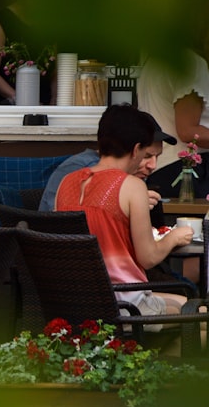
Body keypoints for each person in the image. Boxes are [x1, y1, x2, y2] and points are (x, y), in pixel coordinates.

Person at [55, 104, 192, 331]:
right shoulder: (131, 186)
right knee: (200, 314)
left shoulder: (66, 183)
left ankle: (143, 360)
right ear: (136, 149)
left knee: (187, 305)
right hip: (123, 305)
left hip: (74, 303)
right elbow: (148, 258)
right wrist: (174, 237)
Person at [137, 48, 209, 199]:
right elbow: (188, 131)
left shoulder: (152, 63)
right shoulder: (192, 63)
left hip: (158, 170)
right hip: (188, 172)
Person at [0, 0, 53, 105]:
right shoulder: (3, 21)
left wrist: (55, 98)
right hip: (8, 107)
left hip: (45, 105)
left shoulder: (48, 22)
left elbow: (54, 68)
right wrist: (21, 100)